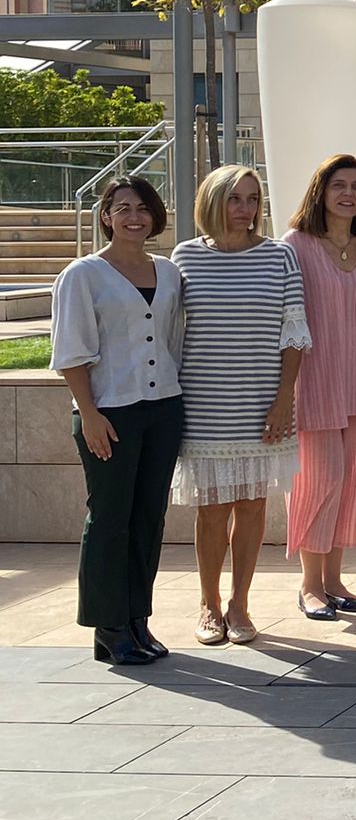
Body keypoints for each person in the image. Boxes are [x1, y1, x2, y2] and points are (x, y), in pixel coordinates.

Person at [171, 166, 308, 647]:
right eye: (234, 199)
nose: (245, 209)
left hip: (261, 401)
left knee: (252, 506)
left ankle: (240, 604)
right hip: (203, 402)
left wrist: (283, 399)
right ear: (212, 201)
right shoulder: (184, 257)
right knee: (212, 510)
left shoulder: (280, 257)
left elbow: (294, 335)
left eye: (252, 199)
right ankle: (208, 605)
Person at [50, 178, 185, 666]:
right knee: (110, 519)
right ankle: (108, 627)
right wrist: (88, 413)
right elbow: (70, 353)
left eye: (143, 208)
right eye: (122, 208)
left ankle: (136, 619)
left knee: (148, 517)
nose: (134, 216)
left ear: (155, 216)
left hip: (163, 409)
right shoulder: (82, 275)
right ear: (106, 215)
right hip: (109, 411)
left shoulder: (168, 273)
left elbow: (171, 341)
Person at [283, 154, 356, 622]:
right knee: (318, 480)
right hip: (314, 380)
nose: (349, 194)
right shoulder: (295, 245)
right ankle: (309, 585)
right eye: (339, 185)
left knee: (350, 481)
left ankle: (334, 580)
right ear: (320, 191)